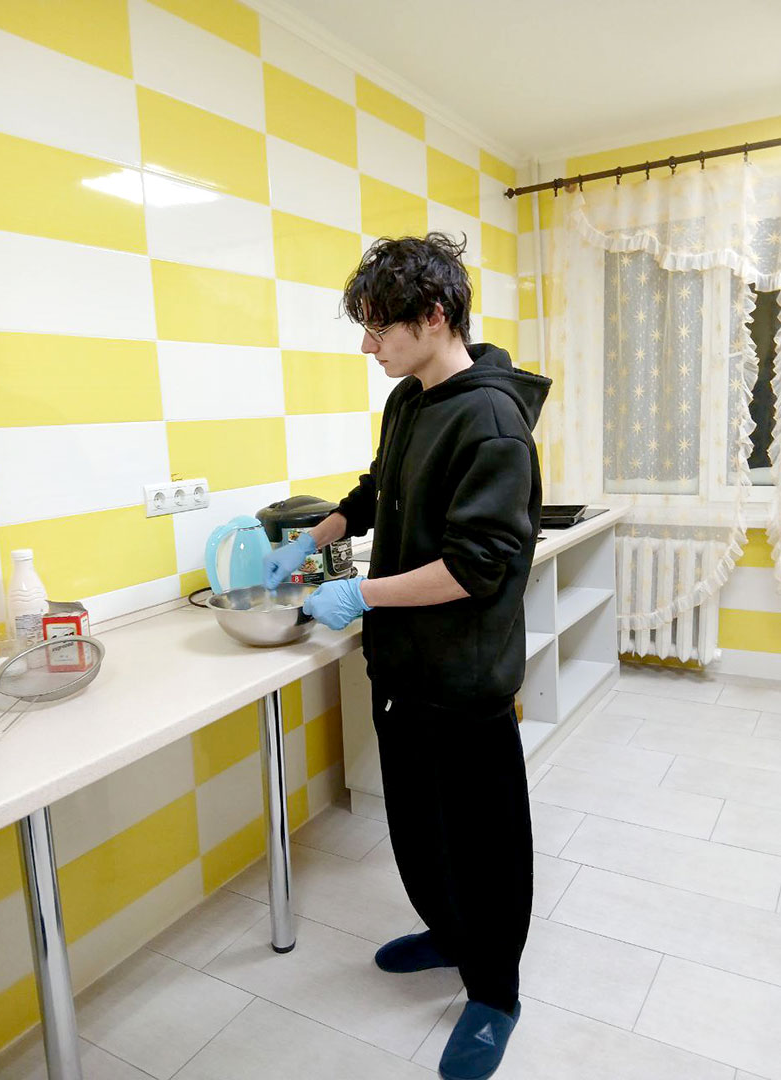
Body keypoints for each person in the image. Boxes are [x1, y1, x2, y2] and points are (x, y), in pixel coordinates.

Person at [263, 232, 551, 1080]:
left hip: (464, 677)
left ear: (431, 316)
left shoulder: (492, 421)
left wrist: (361, 594)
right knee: (420, 827)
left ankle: (494, 993)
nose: (367, 346)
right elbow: (375, 487)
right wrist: (315, 537)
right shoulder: (410, 400)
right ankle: (449, 933)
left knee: (485, 843)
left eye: (377, 327)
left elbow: (477, 565)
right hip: (403, 670)